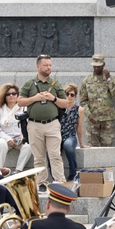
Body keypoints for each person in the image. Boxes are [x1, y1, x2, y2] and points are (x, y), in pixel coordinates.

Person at [18, 54, 67, 188]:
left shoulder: (56, 84)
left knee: (55, 155)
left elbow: (66, 104)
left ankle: (59, 181)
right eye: (45, 65)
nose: (48, 67)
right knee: (38, 157)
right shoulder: (29, 84)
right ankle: (41, 183)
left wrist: (53, 98)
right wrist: (35, 98)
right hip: (34, 124)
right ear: (38, 66)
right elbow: (19, 101)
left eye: (50, 65)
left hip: (52, 124)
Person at [78, 54, 115, 146]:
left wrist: (108, 79)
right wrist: (89, 115)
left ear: (103, 65)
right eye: (95, 66)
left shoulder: (110, 79)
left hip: (107, 120)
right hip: (93, 121)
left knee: (108, 148)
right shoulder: (87, 81)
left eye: (99, 66)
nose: (96, 68)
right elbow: (83, 101)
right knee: (93, 149)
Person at [0, 83, 33, 172]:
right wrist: (8, 139)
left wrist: (23, 138)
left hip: (20, 138)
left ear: (17, 95)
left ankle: (17, 171)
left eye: (14, 93)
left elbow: (30, 125)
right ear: (4, 96)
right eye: (8, 94)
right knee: (1, 144)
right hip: (4, 139)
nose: (11, 96)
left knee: (29, 146)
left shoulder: (24, 108)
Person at [60, 85, 85, 182]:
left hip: (70, 136)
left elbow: (79, 128)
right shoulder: (59, 108)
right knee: (51, 151)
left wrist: (81, 143)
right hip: (57, 136)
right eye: (67, 94)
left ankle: (72, 173)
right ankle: (56, 175)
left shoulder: (79, 109)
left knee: (68, 145)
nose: (69, 97)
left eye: (72, 95)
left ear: (75, 97)